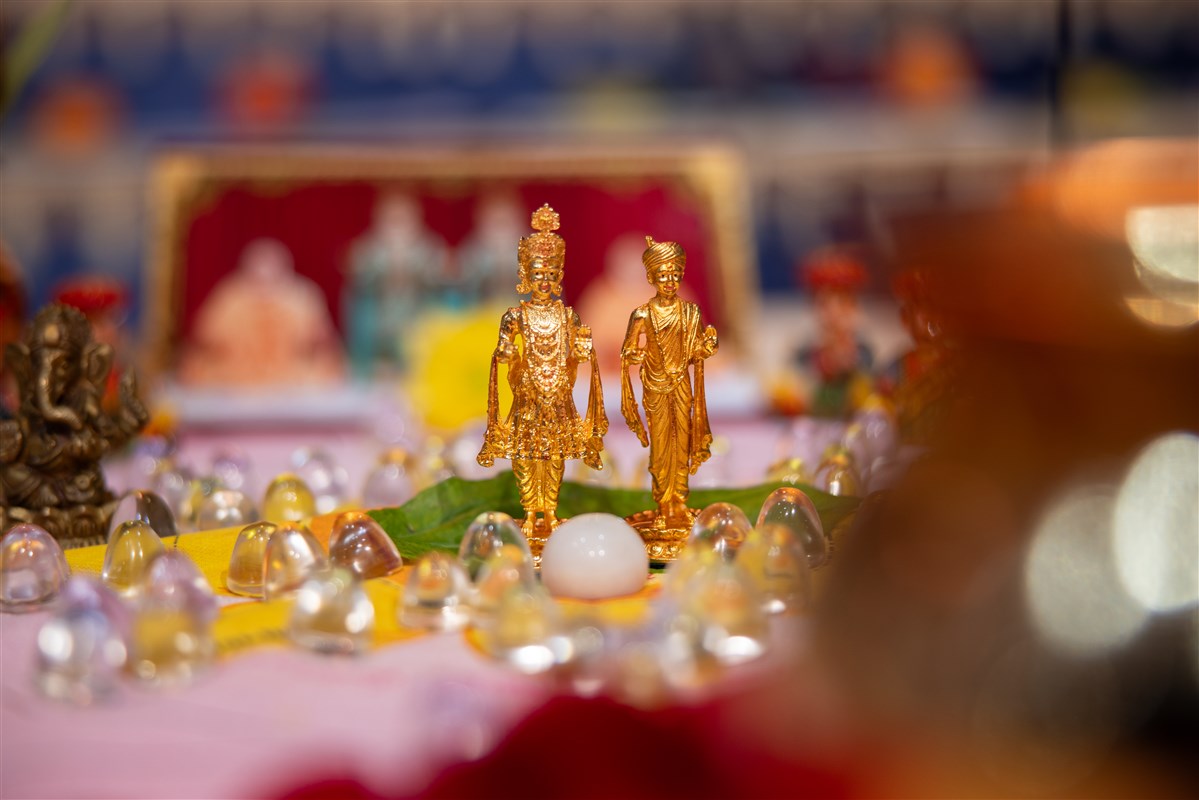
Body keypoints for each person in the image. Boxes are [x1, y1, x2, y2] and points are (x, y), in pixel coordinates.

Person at [477, 204, 606, 538]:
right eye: (537, 275)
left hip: (558, 394)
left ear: (558, 276)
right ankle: (530, 511)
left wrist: (582, 353)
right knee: (526, 455)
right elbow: (504, 350)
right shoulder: (514, 316)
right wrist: (507, 354)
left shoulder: (568, 316)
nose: (544, 281)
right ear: (525, 276)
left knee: (553, 456)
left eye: (550, 275)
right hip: (528, 394)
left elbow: (578, 353)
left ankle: (548, 510)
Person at [620, 236, 718, 531]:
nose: (669, 282)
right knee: (662, 447)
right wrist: (637, 354)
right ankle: (664, 503)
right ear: (651, 278)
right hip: (655, 386)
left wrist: (708, 346)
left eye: (675, 275)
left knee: (681, 444)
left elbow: (696, 350)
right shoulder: (642, 314)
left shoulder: (691, 312)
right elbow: (628, 350)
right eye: (662, 276)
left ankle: (680, 501)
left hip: (681, 385)